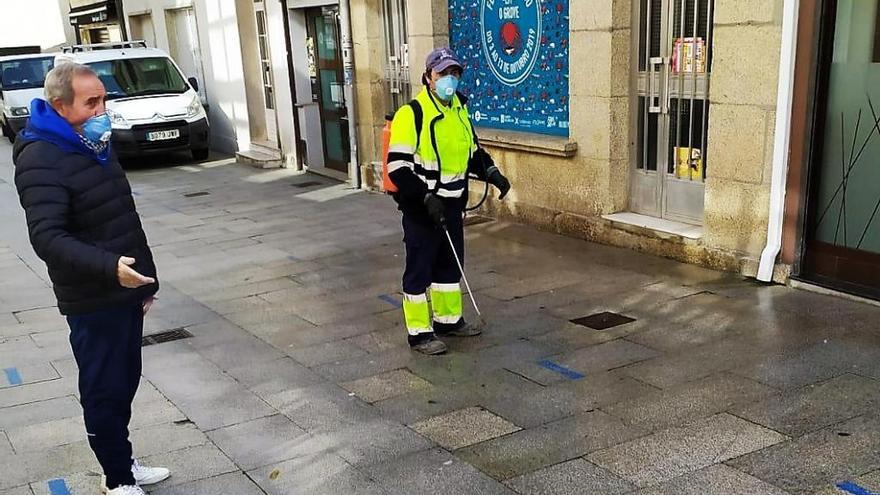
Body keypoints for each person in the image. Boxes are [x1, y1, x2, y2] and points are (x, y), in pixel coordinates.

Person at [12, 62, 168, 495]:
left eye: (104, 98)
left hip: (125, 288)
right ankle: (117, 479)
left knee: (125, 381)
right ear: (60, 107)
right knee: (104, 388)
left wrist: (146, 281)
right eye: (92, 101)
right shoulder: (41, 157)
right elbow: (48, 237)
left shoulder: (92, 143)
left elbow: (121, 217)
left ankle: (124, 461)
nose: (104, 109)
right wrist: (110, 268)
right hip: (93, 296)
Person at [387, 47, 511, 355]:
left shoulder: (459, 110)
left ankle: (448, 321)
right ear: (428, 77)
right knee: (419, 269)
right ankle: (419, 334)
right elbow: (397, 167)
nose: (449, 79)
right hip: (422, 208)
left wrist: (492, 172)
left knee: (449, 265)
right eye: (442, 73)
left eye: (454, 73)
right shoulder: (411, 114)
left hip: (452, 204)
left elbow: (470, 154)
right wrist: (424, 197)